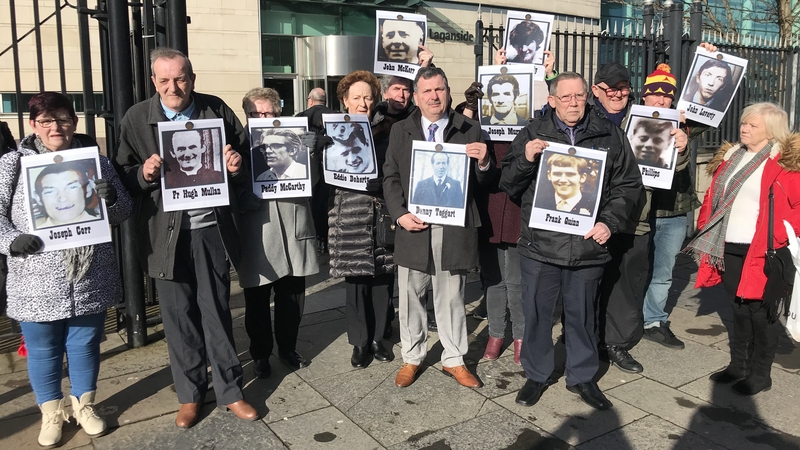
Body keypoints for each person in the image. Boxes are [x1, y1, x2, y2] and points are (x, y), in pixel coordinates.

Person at [115, 47, 257, 428]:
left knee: (217, 313)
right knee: (179, 319)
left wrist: (237, 166)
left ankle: (230, 391)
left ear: (192, 78)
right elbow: (121, 176)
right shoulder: (136, 118)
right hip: (165, 234)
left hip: (211, 229)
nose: (173, 86)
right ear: (153, 81)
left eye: (180, 78)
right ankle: (190, 395)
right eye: (164, 80)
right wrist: (143, 174)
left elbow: (246, 161)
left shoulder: (216, 111)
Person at [500, 72, 642, 410]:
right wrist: (526, 159)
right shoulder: (533, 133)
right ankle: (537, 374)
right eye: (566, 97)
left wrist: (610, 222)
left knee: (582, 317)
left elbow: (628, 185)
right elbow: (508, 183)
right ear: (551, 101)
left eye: (579, 96)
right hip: (540, 246)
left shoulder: (609, 134)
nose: (574, 102)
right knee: (536, 314)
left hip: (587, 246)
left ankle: (582, 377)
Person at [0, 92, 132, 447]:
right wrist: (10, 239)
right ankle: (51, 413)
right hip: (35, 277)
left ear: (74, 122)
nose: (55, 127)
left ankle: (84, 406)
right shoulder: (14, 164)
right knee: (42, 349)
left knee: (86, 343)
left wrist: (111, 200)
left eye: (62, 119)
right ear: (33, 125)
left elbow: (122, 213)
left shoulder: (97, 163)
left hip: (89, 273)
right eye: (46, 121)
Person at [383, 66, 493, 388]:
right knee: (411, 294)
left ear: (448, 92)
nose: (434, 96)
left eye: (440, 89)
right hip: (413, 226)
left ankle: (454, 359)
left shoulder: (469, 128)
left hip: (453, 228)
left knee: (451, 296)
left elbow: (484, 182)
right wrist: (399, 213)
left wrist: (485, 162)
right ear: (416, 97)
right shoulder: (401, 130)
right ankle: (412, 357)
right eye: (427, 91)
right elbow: (390, 177)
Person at [685, 102, 799, 396]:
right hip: (729, 245)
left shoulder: (784, 163)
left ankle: (761, 374)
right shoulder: (733, 155)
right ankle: (738, 365)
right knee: (737, 308)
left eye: (752, 125)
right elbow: (715, 197)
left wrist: (780, 235)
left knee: (761, 313)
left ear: (770, 130)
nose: (744, 128)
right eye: (744, 123)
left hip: (764, 249)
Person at [238, 88, 318, 378]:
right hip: (258, 232)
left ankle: (288, 348)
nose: (262, 118)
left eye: (269, 114)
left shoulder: (293, 140)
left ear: (278, 114)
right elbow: (228, 188)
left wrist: (313, 154)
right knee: (257, 301)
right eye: (256, 114)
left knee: (292, 299)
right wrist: (243, 197)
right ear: (246, 116)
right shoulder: (237, 146)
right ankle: (260, 353)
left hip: (294, 228)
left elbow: (315, 184)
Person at [640, 58, 715, 350]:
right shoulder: (629, 120)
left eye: (666, 94)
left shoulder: (682, 121)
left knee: (663, 271)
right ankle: (628, 317)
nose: (660, 98)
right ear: (644, 94)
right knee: (633, 269)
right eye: (655, 92)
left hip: (674, 209)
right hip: (638, 212)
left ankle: (654, 321)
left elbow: (709, 110)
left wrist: (707, 58)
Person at [327, 70, 396, 368]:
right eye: (356, 97)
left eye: (368, 97)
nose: (363, 103)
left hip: (381, 212)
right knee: (355, 280)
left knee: (382, 279)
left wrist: (385, 181)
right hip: (349, 214)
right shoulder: (331, 132)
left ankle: (379, 337)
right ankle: (359, 342)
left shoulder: (390, 129)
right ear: (345, 100)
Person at [296, 88, 336, 253]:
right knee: (328, 204)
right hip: (331, 168)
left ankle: (315, 241)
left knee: (312, 205)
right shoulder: (335, 115)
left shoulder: (300, 117)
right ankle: (328, 239)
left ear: (310, 100)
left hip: (309, 169)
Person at [33, 161, 100, 228]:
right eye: (50, 191)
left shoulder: (101, 227)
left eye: (72, 187)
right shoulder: (35, 234)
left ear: (88, 190)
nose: (63, 199)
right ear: (38, 198)